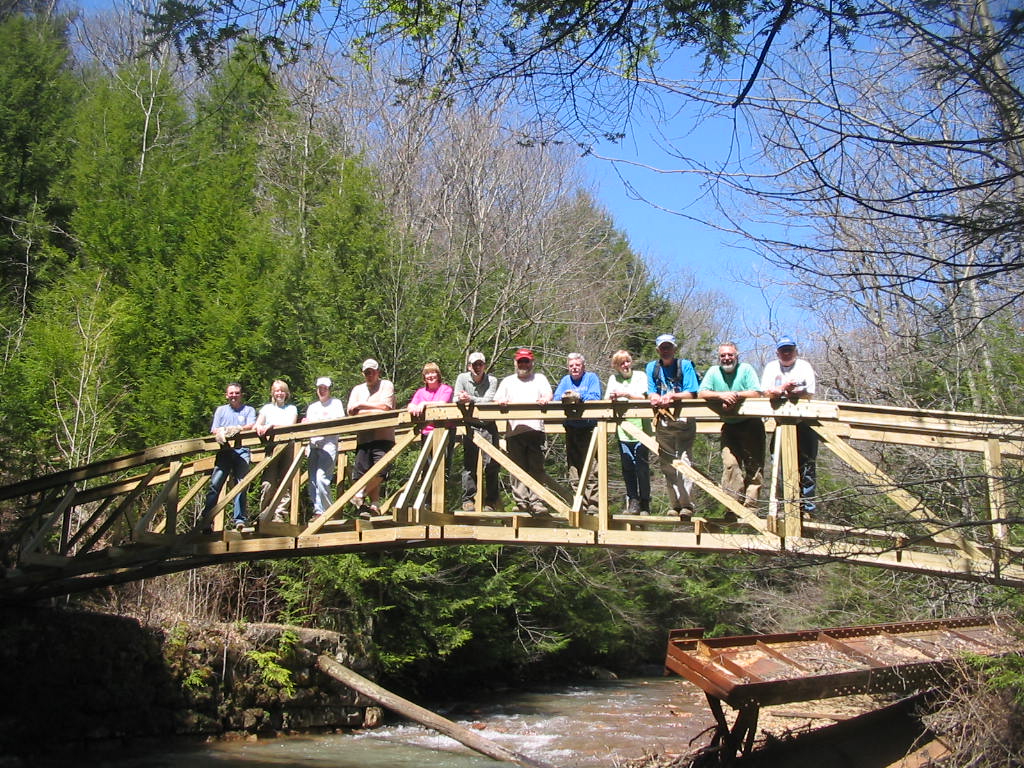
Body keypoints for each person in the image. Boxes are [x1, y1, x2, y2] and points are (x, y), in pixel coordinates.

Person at [495, 348, 569, 516]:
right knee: (516, 468)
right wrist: (501, 401)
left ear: (531, 363)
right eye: (520, 361)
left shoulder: (540, 378)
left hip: (535, 429)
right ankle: (521, 501)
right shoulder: (508, 381)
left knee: (536, 467)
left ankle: (537, 501)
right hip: (514, 430)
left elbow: (548, 394)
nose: (523, 364)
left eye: (526, 361)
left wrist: (546, 399)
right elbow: (497, 398)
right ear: (515, 363)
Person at [698, 343, 765, 511]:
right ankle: (732, 507)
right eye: (723, 355)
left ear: (737, 355)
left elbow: (756, 392)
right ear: (719, 357)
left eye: (730, 355)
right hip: (729, 425)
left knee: (754, 466)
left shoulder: (746, 369)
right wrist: (721, 395)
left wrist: (735, 395)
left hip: (751, 423)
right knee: (730, 464)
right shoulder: (714, 372)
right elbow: (702, 393)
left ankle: (751, 507)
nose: (726, 358)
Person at [761, 335, 819, 512]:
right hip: (781, 423)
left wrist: (790, 392)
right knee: (779, 464)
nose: (786, 353)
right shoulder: (772, 367)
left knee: (807, 465)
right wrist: (783, 389)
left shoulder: (804, 366)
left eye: (789, 350)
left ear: (795, 351)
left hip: (804, 421)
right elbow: (766, 392)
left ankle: (806, 508)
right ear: (777, 352)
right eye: (783, 350)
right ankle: (785, 507)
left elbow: (809, 392)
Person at [646, 334, 700, 515]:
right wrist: (654, 397)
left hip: (684, 420)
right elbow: (651, 390)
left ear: (674, 349)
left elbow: (692, 392)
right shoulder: (652, 367)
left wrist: (672, 396)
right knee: (667, 463)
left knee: (684, 461)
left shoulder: (684, 365)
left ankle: (687, 505)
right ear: (658, 350)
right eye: (662, 347)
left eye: (668, 347)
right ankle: (675, 505)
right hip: (663, 420)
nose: (665, 350)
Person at [201, 382, 257, 531]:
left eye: (237, 393)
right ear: (227, 395)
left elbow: (251, 425)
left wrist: (237, 428)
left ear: (241, 395)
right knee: (215, 484)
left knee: (241, 485)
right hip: (224, 451)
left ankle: (239, 519)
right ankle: (207, 520)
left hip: (242, 450)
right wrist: (224, 431)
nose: (234, 396)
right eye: (231, 393)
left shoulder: (248, 410)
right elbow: (214, 429)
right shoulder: (221, 410)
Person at [553, 352, 603, 513]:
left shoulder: (591, 378)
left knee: (592, 467)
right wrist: (564, 397)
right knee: (574, 468)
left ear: (583, 366)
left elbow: (595, 396)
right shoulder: (565, 380)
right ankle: (579, 502)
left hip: (589, 428)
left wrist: (579, 396)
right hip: (571, 427)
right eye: (571, 366)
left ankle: (594, 504)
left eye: (577, 365)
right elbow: (555, 398)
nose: (574, 368)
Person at [347, 359, 396, 517]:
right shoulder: (357, 389)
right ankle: (373, 505)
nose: (369, 375)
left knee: (381, 470)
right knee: (363, 472)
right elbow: (350, 411)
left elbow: (386, 407)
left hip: (384, 435)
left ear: (378, 372)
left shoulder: (386, 385)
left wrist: (361, 406)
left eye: (372, 371)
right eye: (366, 372)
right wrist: (372, 409)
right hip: (364, 437)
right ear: (363, 373)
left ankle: (359, 495)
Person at [605, 350, 651, 514]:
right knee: (627, 467)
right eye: (621, 363)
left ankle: (645, 502)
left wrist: (626, 394)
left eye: (627, 361)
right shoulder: (613, 379)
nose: (625, 365)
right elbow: (607, 399)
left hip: (642, 428)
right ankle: (633, 501)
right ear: (616, 366)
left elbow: (646, 397)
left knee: (642, 467)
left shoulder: (640, 376)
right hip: (623, 428)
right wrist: (613, 398)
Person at [453, 352, 501, 512]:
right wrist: (462, 399)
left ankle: (491, 501)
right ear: (469, 367)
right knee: (469, 464)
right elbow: (455, 398)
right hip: (470, 425)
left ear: (484, 366)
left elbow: (489, 400)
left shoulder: (492, 380)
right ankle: (468, 499)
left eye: (480, 364)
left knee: (492, 465)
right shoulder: (462, 378)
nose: (477, 367)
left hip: (489, 425)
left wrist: (471, 399)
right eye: (474, 365)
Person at [254, 380, 299, 523]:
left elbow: (290, 426)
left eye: (282, 390)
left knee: (285, 481)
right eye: (276, 390)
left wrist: (272, 425)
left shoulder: (291, 408)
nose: (279, 393)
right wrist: (260, 428)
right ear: (272, 393)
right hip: (271, 446)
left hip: (288, 446)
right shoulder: (267, 408)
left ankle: (280, 514)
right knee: (268, 482)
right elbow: (257, 425)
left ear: (286, 393)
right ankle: (265, 514)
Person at [303, 376, 346, 520]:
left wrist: (321, 423)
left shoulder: (336, 403)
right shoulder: (312, 407)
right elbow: (307, 426)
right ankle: (318, 510)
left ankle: (329, 510)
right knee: (313, 481)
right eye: (320, 388)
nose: (322, 391)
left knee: (322, 478)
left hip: (328, 443)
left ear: (329, 389)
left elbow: (339, 422)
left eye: (325, 388)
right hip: (313, 444)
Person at [407, 362, 454, 437]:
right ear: (424, 377)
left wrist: (424, 403)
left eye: (433, 372)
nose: (430, 376)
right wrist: (412, 407)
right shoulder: (420, 392)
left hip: (445, 430)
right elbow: (412, 405)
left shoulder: (446, 389)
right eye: (427, 373)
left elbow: (442, 403)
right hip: (425, 430)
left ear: (438, 375)